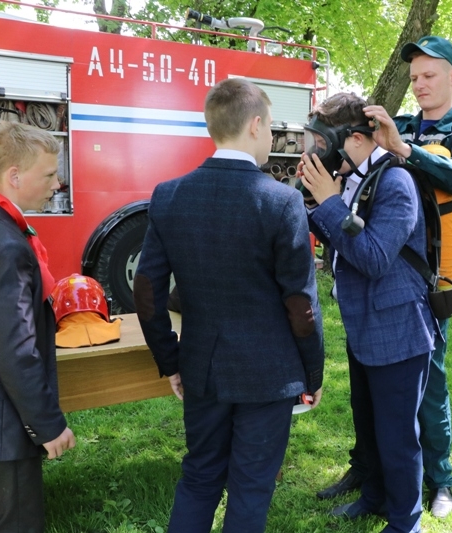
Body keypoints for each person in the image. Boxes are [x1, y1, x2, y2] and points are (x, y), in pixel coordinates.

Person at [133, 78, 325, 533]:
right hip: (269, 374)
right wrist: (312, 372)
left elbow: (146, 290)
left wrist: (170, 359)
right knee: (251, 489)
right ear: (255, 125)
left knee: (199, 477)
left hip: (202, 368)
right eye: (271, 126)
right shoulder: (282, 201)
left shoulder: (169, 194)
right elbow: (300, 304)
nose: (272, 135)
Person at [319, 35, 452, 518]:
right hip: (382, 269)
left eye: (429, 75)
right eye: (414, 76)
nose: (419, 84)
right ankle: (368, 470)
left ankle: (440, 479)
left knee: (428, 386)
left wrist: (404, 149)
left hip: (433, 278)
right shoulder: (401, 123)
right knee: (371, 389)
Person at [299, 92, 437, 533]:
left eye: (323, 143)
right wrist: (315, 203)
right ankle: (374, 497)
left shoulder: (395, 182)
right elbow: (342, 239)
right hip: (365, 326)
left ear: (356, 138)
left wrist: (329, 202)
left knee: (397, 437)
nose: (317, 151)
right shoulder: (356, 176)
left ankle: (405, 522)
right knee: (371, 426)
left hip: (397, 332)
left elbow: (375, 258)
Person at [0, 121, 76, 531]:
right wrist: (47, 424)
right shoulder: (7, 247)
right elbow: (16, 348)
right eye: (49, 174)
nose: (57, 184)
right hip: (1, 430)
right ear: (14, 176)